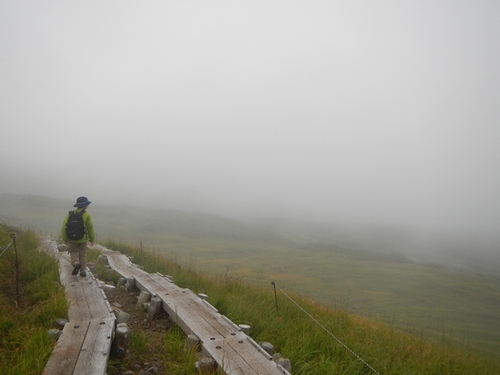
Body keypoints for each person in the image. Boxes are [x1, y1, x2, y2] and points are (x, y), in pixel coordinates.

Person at [61, 196, 95, 277]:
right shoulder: (86, 215)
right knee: (82, 254)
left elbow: (63, 227)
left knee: (73, 252)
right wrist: (92, 239)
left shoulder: (70, 214)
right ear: (85, 206)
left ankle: (75, 262)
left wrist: (65, 238)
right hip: (83, 239)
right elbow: (90, 227)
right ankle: (83, 270)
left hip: (72, 239)